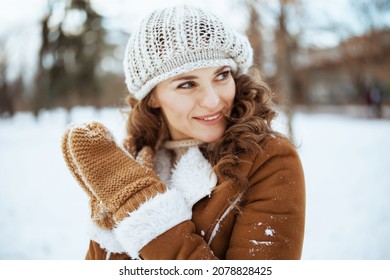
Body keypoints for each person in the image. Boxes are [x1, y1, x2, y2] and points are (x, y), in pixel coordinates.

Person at [61, 5, 305, 260]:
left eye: (221, 75)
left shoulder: (268, 158)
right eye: (187, 84)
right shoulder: (135, 164)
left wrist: (141, 204)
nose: (212, 101)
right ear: (152, 96)